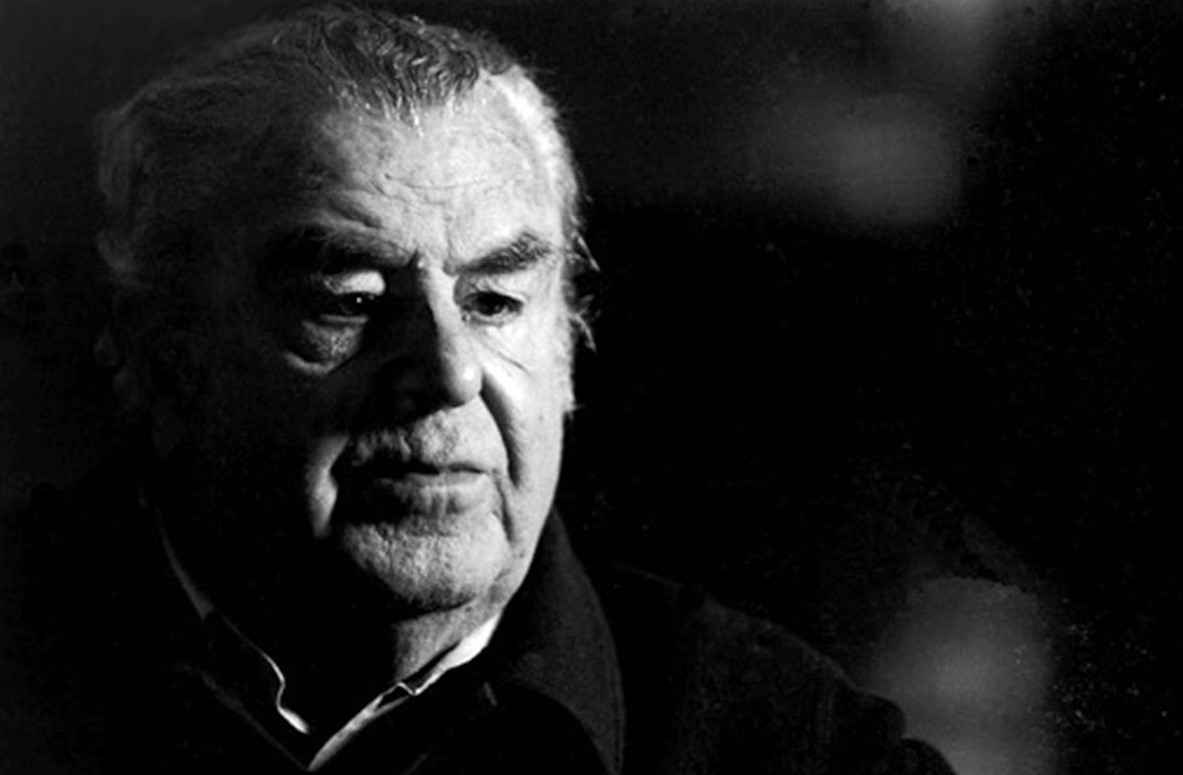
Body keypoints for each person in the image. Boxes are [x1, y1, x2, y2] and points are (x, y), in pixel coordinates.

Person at [1, 5, 954, 773]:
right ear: (166, 354)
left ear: (569, 347)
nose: (449, 371)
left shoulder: (789, 742)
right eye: (349, 300)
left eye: (494, 301)